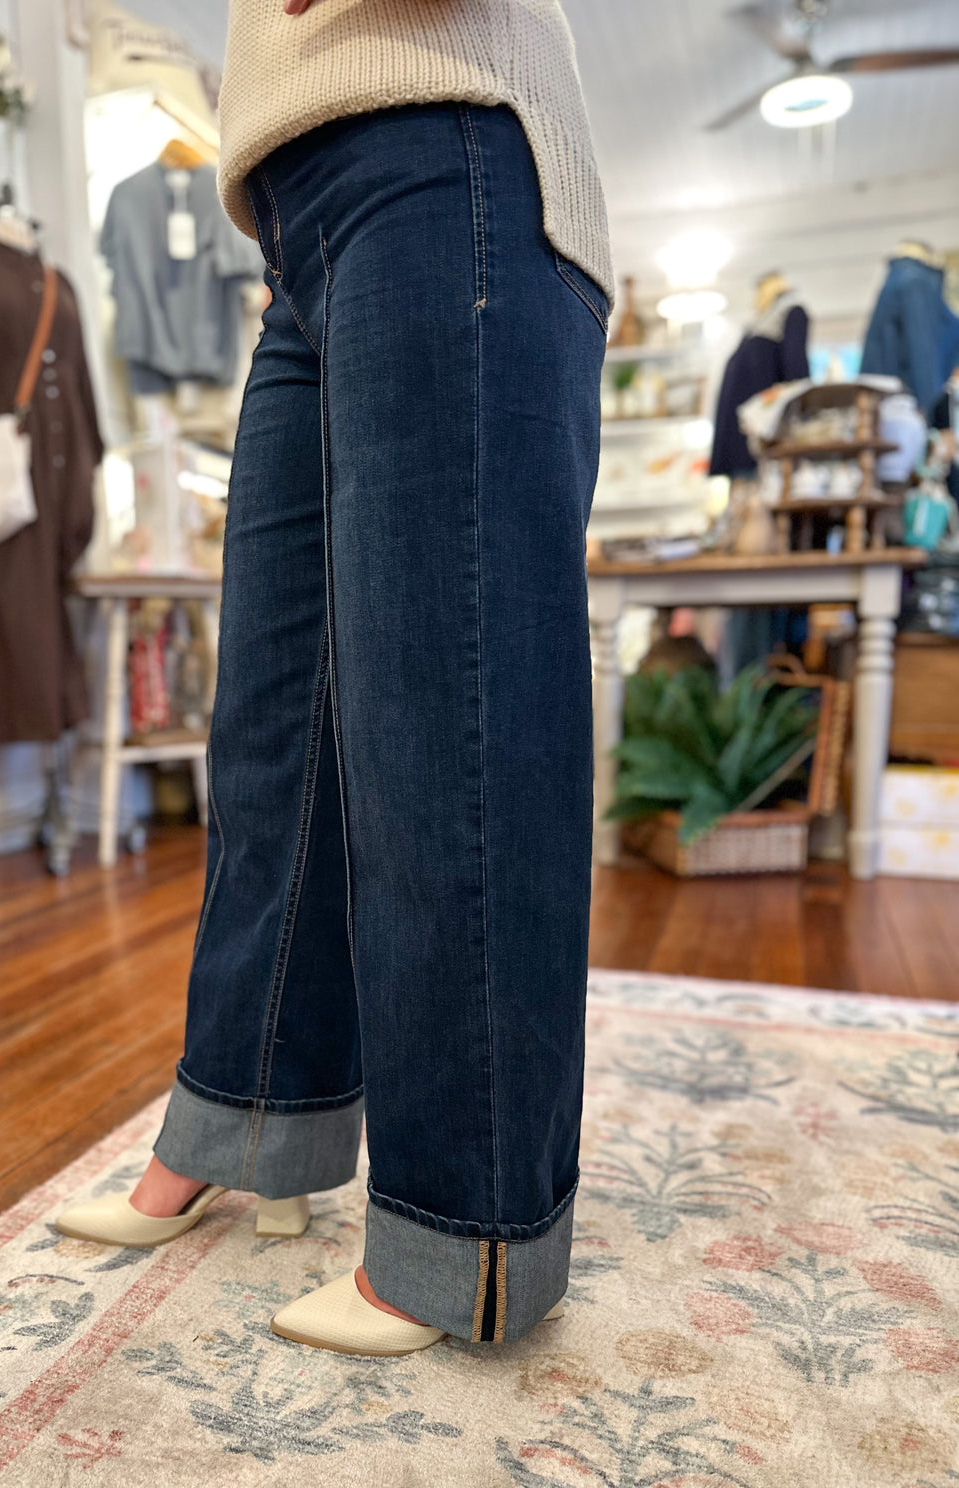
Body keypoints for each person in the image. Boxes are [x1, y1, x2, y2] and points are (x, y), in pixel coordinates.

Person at [57, 0, 612, 1356]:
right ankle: (247, 1121)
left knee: (447, 717)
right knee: (274, 726)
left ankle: (463, 1226)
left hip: (453, 160)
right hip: (299, 234)